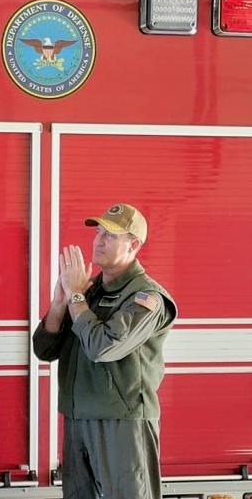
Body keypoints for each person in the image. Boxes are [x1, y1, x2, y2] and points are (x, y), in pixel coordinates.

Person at [32, 203, 177, 499]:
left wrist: (75, 297)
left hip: (121, 422)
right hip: (78, 418)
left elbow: (103, 347)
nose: (98, 240)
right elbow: (44, 350)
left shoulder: (147, 297)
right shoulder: (88, 290)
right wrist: (60, 303)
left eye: (110, 235)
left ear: (133, 244)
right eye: (98, 232)